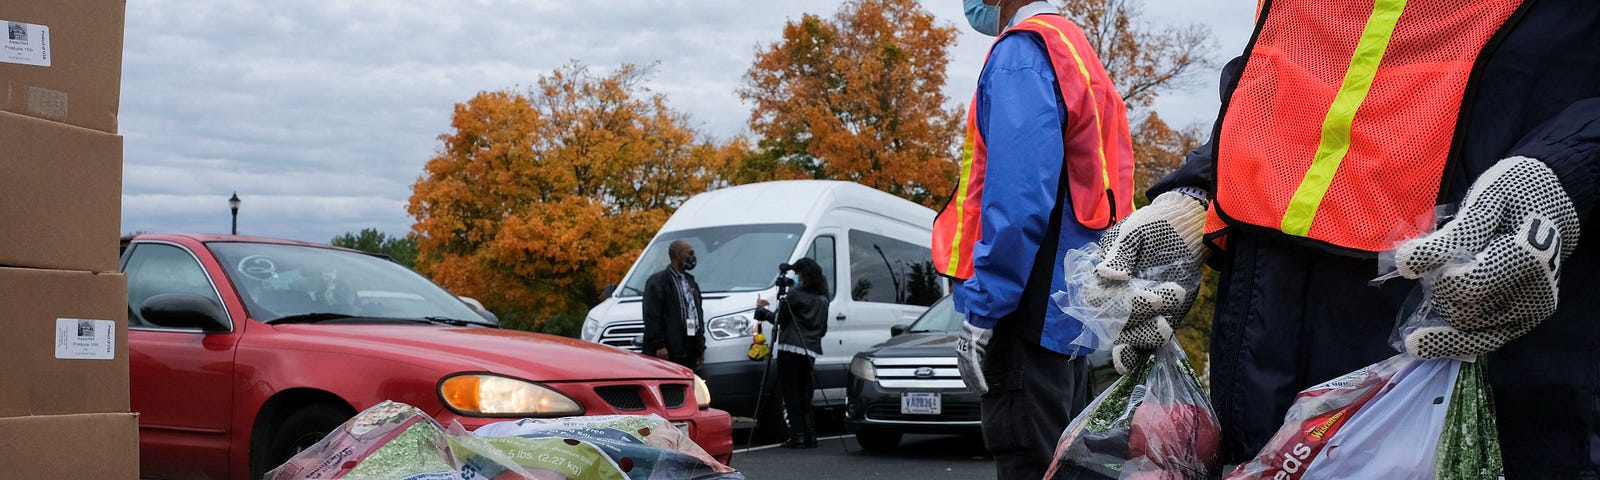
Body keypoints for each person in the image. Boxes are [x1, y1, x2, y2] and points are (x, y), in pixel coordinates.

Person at [1090, 1, 1600, 475]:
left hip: (1481, 346)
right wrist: (1193, 202)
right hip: (1261, 349)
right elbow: (1283, 88)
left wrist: (1571, 169)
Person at [932, 0, 1134, 477]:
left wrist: (984, 309)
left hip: (1027, 307)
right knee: (1064, 462)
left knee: (1028, 457)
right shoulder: (1076, 51)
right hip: (1069, 311)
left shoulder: (1022, 52)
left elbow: (1018, 197)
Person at [753, 258, 830, 449]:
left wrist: (762, 311)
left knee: (790, 393)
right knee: (805, 393)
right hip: (810, 349)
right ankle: (810, 436)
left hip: (790, 348)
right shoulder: (823, 300)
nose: (795, 277)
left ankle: (798, 436)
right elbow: (823, 329)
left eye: (797, 274)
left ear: (803, 275)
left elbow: (779, 319)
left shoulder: (795, 295)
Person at [641, 240, 705, 371]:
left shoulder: (690, 282)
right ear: (677, 255)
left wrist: (700, 347)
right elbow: (652, 315)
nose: (693, 257)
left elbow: (696, 314)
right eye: (690, 253)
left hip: (689, 349)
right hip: (669, 350)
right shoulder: (658, 282)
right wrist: (659, 345)